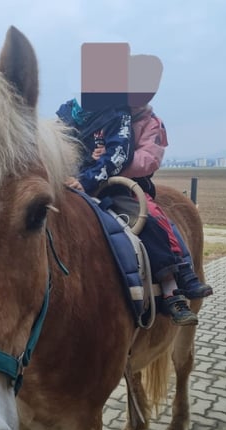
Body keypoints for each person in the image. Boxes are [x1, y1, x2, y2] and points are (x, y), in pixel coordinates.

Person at [58, 98, 210, 326]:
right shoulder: (66, 115)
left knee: (149, 221)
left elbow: (127, 155)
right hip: (72, 182)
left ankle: (173, 285)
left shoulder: (120, 116)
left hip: (114, 183)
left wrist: (94, 171)